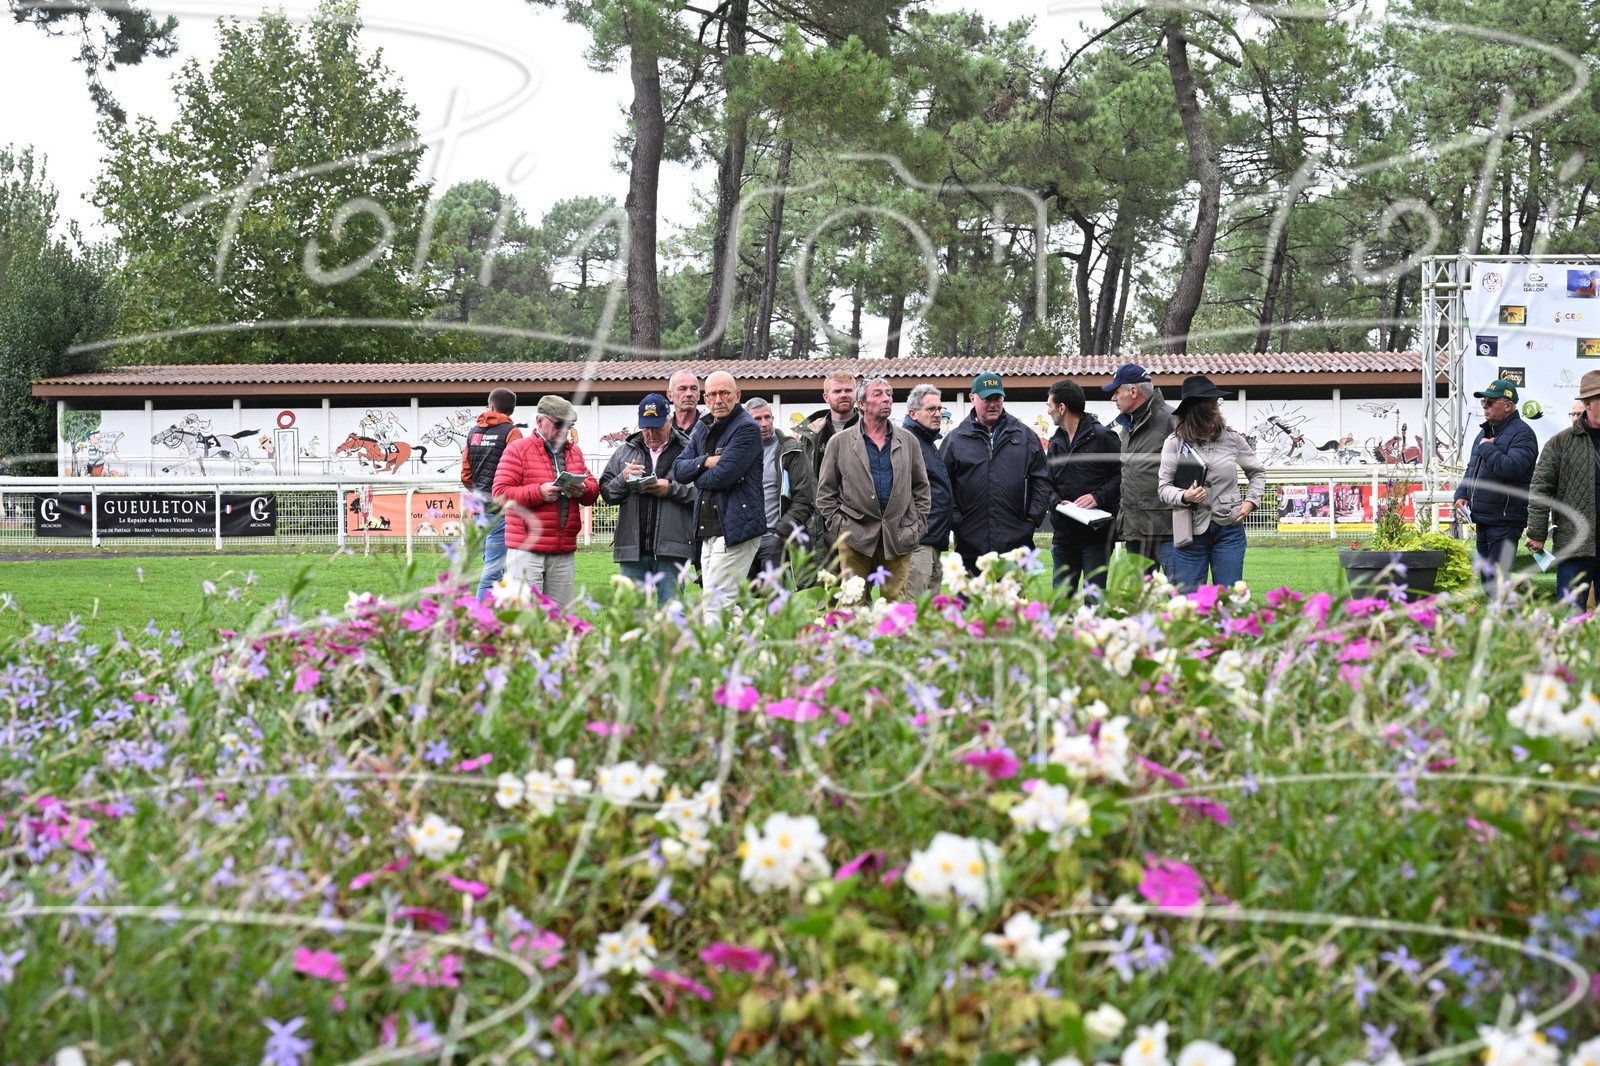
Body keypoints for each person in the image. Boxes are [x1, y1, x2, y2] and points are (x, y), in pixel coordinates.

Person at [816, 378, 930, 600]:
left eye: (889, 394)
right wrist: (841, 528)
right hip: (854, 535)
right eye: (878, 394)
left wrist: (916, 526)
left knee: (896, 604)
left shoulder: (908, 441)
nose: (886, 399)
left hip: (899, 534)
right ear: (862, 404)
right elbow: (825, 494)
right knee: (852, 602)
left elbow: (921, 489)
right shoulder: (839, 443)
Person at [1155, 375, 1265, 592]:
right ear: (1196, 408)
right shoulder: (1174, 443)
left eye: (1216, 401)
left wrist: (1252, 501)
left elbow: (1257, 472)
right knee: (1190, 601)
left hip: (1229, 530)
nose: (1216, 407)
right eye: (1211, 402)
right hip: (1190, 533)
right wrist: (1184, 496)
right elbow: (1163, 488)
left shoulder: (1233, 439)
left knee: (1229, 598)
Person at [672, 371, 765, 628]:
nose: (718, 400)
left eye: (724, 393)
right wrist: (706, 461)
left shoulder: (746, 428)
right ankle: (756, 641)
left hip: (736, 527)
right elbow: (678, 470)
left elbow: (724, 475)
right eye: (712, 394)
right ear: (706, 398)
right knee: (718, 602)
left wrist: (697, 475)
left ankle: (717, 652)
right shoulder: (704, 426)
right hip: (709, 528)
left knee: (716, 603)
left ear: (737, 395)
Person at [492, 394, 600, 607]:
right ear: (539, 421)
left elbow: (592, 489)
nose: (564, 431)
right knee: (525, 618)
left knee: (561, 618)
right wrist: (538, 493)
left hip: (562, 551)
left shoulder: (574, 452)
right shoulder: (517, 450)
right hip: (526, 551)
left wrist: (584, 489)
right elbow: (500, 494)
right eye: (559, 424)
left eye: (569, 426)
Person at [939, 372, 1052, 573]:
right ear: (972, 398)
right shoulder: (955, 440)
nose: (993, 405)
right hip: (971, 547)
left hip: (1017, 546)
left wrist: (1032, 517)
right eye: (987, 399)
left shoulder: (1025, 437)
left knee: (1014, 594)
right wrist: (957, 521)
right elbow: (943, 486)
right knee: (974, 594)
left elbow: (1042, 480)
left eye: (997, 398)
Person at [599, 394, 696, 603]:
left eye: (656, 427)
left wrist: (670, 489)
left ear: (669, 422)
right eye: (646, 428)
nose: (650, 434)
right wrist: (623, 479)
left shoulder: (688, 450)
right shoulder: (624, 451)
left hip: (672, 550)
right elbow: (607, 493)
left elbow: (701, 493)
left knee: (671, 615)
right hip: (632, 551)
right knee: (634, 616)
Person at [1453, 378, 1538, 588]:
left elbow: (1511, 468)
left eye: (1490, 402)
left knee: (1496, 582)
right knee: (1488, 583)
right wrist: (1461, 493)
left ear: (1508, 406)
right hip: (1483, 519)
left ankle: (1510, 608)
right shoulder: (1485, 432)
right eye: (1483, 402)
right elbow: (1472, 469)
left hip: (1506, 521)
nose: (1484, 406)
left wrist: (1487, 448)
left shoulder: (1523, 433)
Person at [1526, 369, 1600, 607]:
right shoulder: (1560, 442)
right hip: (1575, 545)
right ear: (1588, 403)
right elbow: (1540, 489)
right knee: (1570, 615)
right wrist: (1537, 533)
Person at [1044, 378, 1121, 594]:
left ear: (1062, 408)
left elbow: (1122, 476)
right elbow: (1046, 483)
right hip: (1063, 536)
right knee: (1061, 602)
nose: (1048, 411)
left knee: (1094, 601)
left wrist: (1098, 497)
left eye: (1050, 406)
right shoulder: (1055, 442)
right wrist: (1056, 502)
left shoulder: (1104, 437)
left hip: (1097, 537)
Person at [1103, 363, 1176, 574]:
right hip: (1134, 529)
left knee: (1178, 590)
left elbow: (1190, 471)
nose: (1113, 398)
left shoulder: (1172, 419)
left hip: (1167, 530)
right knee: (1138, 592)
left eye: (1116, 392)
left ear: (1133, 391)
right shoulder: (1128, 425)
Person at [744, 398, 817, 584]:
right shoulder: (737, 450)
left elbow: (804, 498)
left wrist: (781, 533)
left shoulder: (791, 450)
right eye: (757, 419)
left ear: (773, 418)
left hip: (774, 538)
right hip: (744, 540)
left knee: (777, 599)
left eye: (767, 417)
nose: (764, 424)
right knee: (741, 598)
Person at [460, 387, 524, 600]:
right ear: (511, 411)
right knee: (493, 571)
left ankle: (496, 610)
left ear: (491, 406)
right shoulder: (512, 432)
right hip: (501, 510)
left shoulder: (473, 432)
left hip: (479, 509)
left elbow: (466, 475)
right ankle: (480, 614)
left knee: (491, 565)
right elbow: (518, 471)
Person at [901, 383, 953, 597]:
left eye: (939, 409)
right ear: (913, 413)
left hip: (933, 540)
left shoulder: (927, 441)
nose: (938, 414)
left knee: (931, 612)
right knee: (914, 611)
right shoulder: (907, 442)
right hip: (917, 544)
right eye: (931, 409)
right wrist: (913, 531)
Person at [792, 370, 859, 476]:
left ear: (856, 394)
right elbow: (801, 475)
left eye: (848, 390)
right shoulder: (811, 433)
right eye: (837, 391)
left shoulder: (870, 428)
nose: (843, 395)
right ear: (826, 397)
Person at [667, 369, 702, 435]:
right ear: (670, 395)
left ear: (699, 394)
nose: (689, 394)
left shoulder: (709, 428)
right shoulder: (664, 431)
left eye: (693, 389)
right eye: (682, 389)